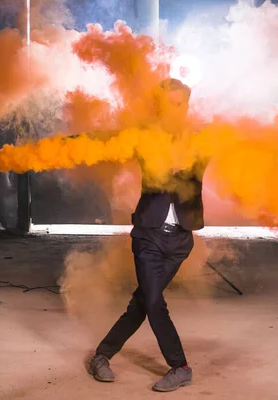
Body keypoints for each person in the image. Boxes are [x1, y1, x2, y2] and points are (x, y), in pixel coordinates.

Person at [88, 78, 206, 392]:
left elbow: (216, 162)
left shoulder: (201, 140)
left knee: (143, 303)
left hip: (180, 240)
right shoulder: (146, 138)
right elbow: (113, 145)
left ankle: (102, 354)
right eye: (169, 104)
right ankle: (180, 367)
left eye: (180, 104)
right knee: (154, 301)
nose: (175, 110)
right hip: (149, 237)